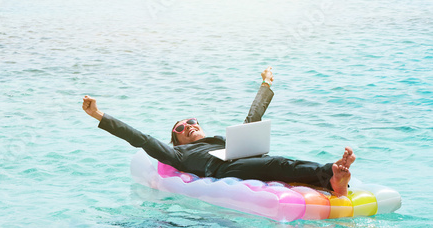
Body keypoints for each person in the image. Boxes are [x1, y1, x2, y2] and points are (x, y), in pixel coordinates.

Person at [82, 67, 355, 196]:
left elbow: (253, 118)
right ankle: (331, 174)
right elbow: (141, 138)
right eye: (180, 128)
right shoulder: (178, 154)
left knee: (278, 160)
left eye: (191, 121)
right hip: (222, 171)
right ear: (175, 139)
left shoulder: (224, 140)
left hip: (241, 159)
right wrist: (99, 114)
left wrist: (265, 84)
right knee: (277, 163)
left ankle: (330, 177)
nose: (188, 126)